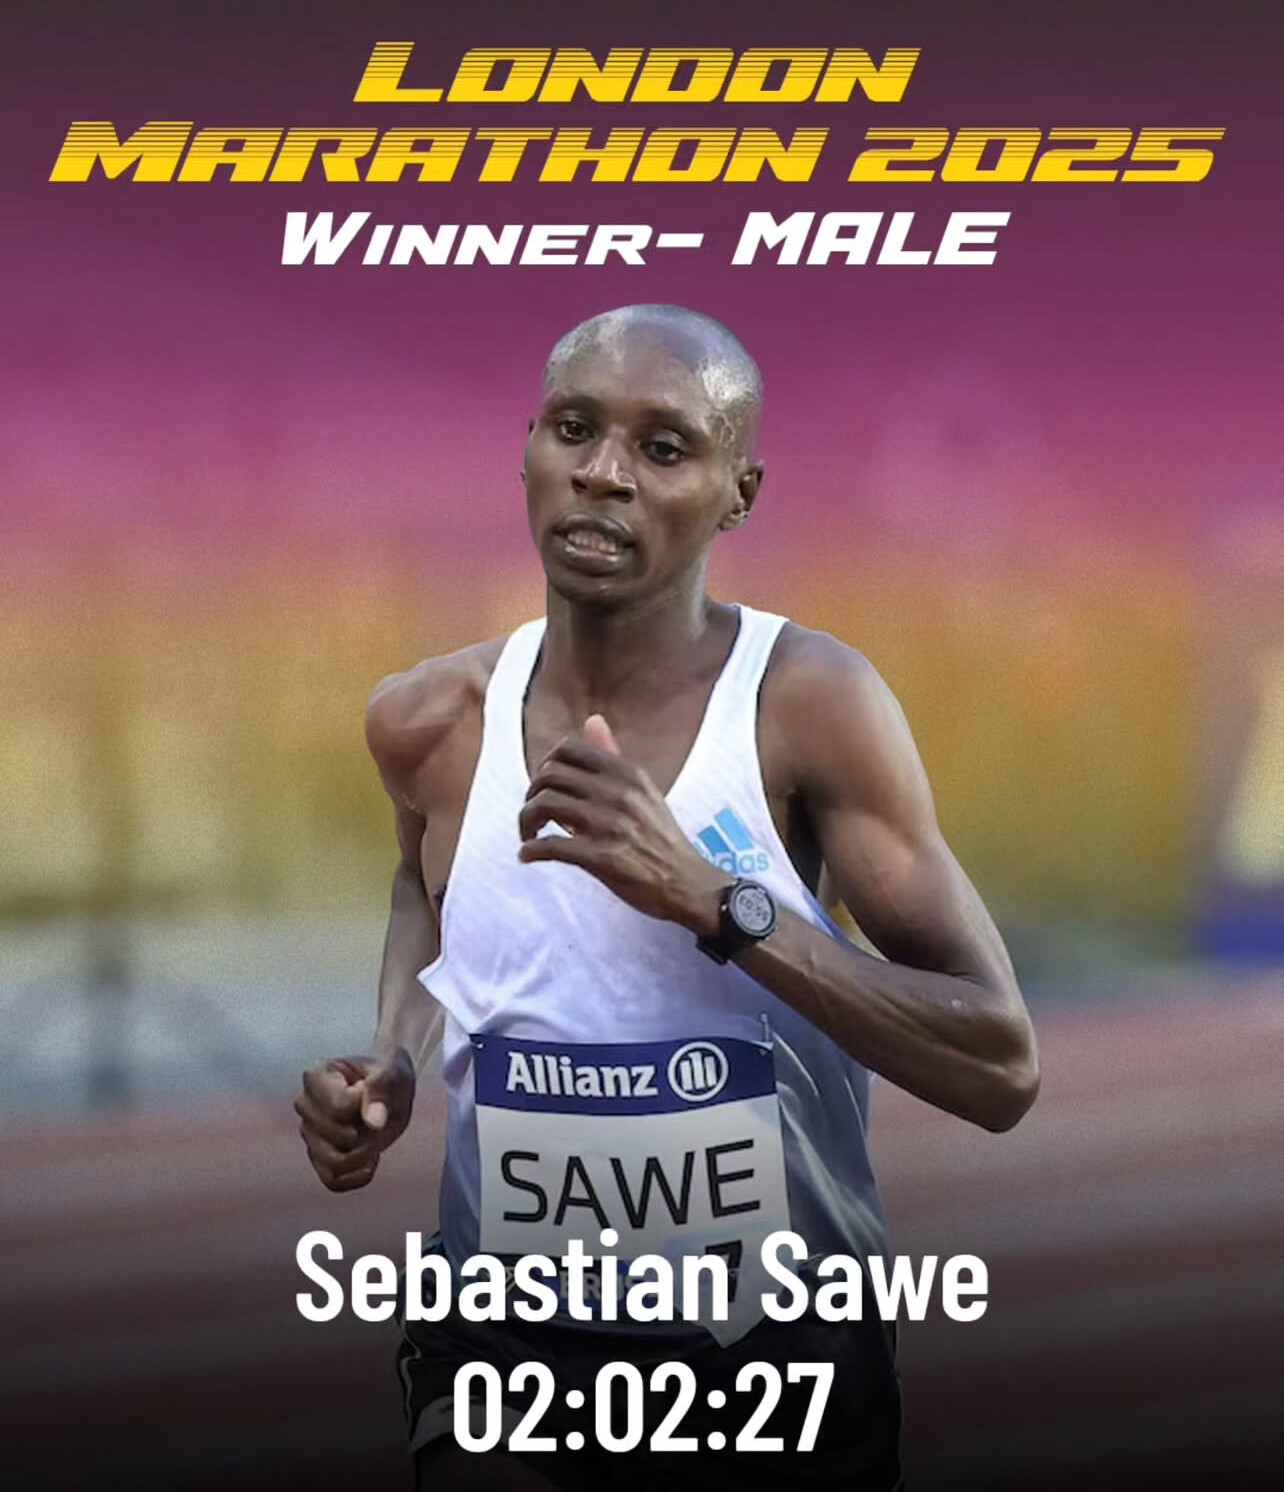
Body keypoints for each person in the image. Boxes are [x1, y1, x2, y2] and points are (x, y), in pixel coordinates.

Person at [295, 304, 1039, 1491]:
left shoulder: (808, 707)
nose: (604, 473)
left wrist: (715, 902)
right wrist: (391, 1056)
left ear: (740, 493)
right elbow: (429, 889)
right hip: (507, 1344)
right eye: (574, 429)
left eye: (663, 446)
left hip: (777, 1362)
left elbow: (999, 1063)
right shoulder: (428, 720)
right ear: (527, 449)